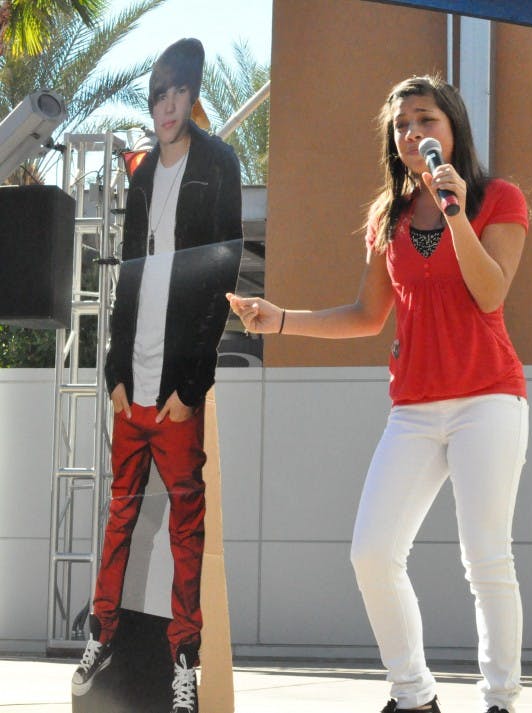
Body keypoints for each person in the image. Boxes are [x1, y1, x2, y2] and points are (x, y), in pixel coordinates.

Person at [228, 74, 529, 713]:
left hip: (489, 399)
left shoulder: (496, 198)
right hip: (415, 407)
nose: (412, 134)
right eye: (401, 126)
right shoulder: (387, 218)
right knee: (372, 551)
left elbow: (490, 291)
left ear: (453, 129)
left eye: (425, 120)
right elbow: (367, 316)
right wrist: (279, 318)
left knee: (485, 558)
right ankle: (413, 695)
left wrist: (454, 212)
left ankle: (501, 700)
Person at [71, 37, 243, 713]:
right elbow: (128, 275)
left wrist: (190, 386)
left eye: (177, 93)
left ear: (193, 94)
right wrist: (116, 368)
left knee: (184, 528)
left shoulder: (219, 165)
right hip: (130, 388)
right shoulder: (143, 175)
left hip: (176, 392)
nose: (167, 106)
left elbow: (222, 275)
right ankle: (102, 635)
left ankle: (183, 662)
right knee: (118, 517)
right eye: (158, 95)